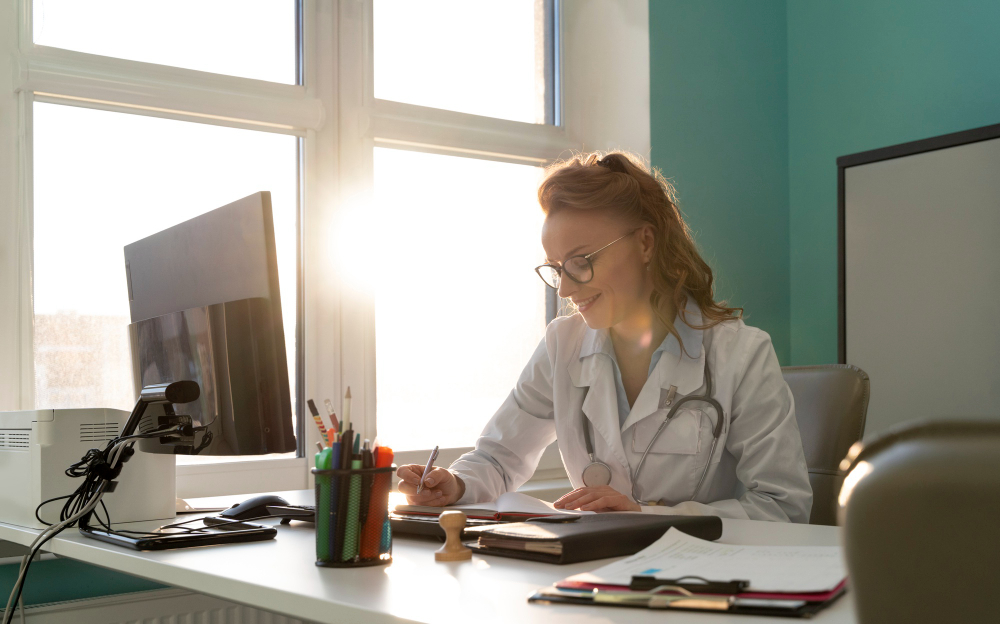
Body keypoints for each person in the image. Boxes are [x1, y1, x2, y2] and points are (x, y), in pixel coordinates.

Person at [396, 152, 812, 522]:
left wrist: (645, 516)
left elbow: (783, 506)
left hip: (702, 587)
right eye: (557, 268)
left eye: (581, 261)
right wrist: (456, 483)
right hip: (595, 578)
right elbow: (498, 458)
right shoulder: (563, 344)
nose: (564, 289)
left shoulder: (740, 354)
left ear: (646, 243)